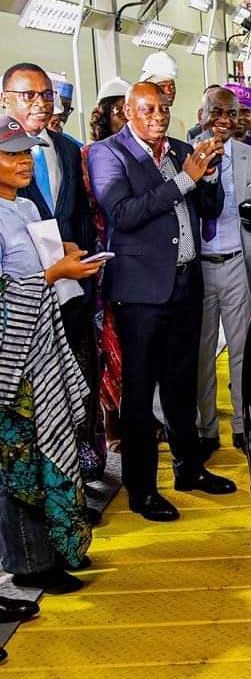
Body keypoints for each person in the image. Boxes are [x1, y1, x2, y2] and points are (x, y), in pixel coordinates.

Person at [87, 82, 235, 523]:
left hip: (186, 284)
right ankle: (142, 489)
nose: (158, 116)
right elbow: (124, 214)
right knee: (138, 396)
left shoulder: (176, 149)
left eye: (164, 108)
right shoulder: (107, 154)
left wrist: (207, 177)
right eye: (148, 108)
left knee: (180, 385)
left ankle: (190, 469)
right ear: (127, 111)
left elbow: (207, 208)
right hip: (141, 294)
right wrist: (185, 179)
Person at [1, 114, 104, 599]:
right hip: (12, 365)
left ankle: (55, 547)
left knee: (47, 453)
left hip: (39, 350)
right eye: (11, 154)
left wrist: (61, 254)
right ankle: (29, 562)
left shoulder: (20, 207)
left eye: (25, 153)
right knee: (18, 463)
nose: (24, 162)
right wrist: (52, 273)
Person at [2, 62, 102, 481]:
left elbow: (76, 216)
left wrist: (74, 257)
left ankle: (83, 472)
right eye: (29, 95)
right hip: (20, 328)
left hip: (69, 299)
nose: (41, 103)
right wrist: (54, 269)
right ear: (5, 99)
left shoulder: (67, 149)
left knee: (75, 387)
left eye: (47, 95)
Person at [195, 88, 251, 454]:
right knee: (201, 351)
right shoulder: (184, 154)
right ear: (201, 113)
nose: (223, 119)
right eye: (216, 112)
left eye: (230, 113)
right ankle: (205, 427)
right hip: (198, 268)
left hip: (239, 265)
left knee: (242, 350)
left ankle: (243, 425)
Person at [82, 76, 131, 465]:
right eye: (115, 109)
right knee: (103, 349)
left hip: (127, 264)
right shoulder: (89, 154)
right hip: (94, 264)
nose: (121, 116)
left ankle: (131, 418)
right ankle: (110, 422)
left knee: (128, 349)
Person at [139, 51, 188, 140]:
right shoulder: (138, 124)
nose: (169, 91)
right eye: (162, 86)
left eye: (172, 86)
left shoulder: (177, 125)